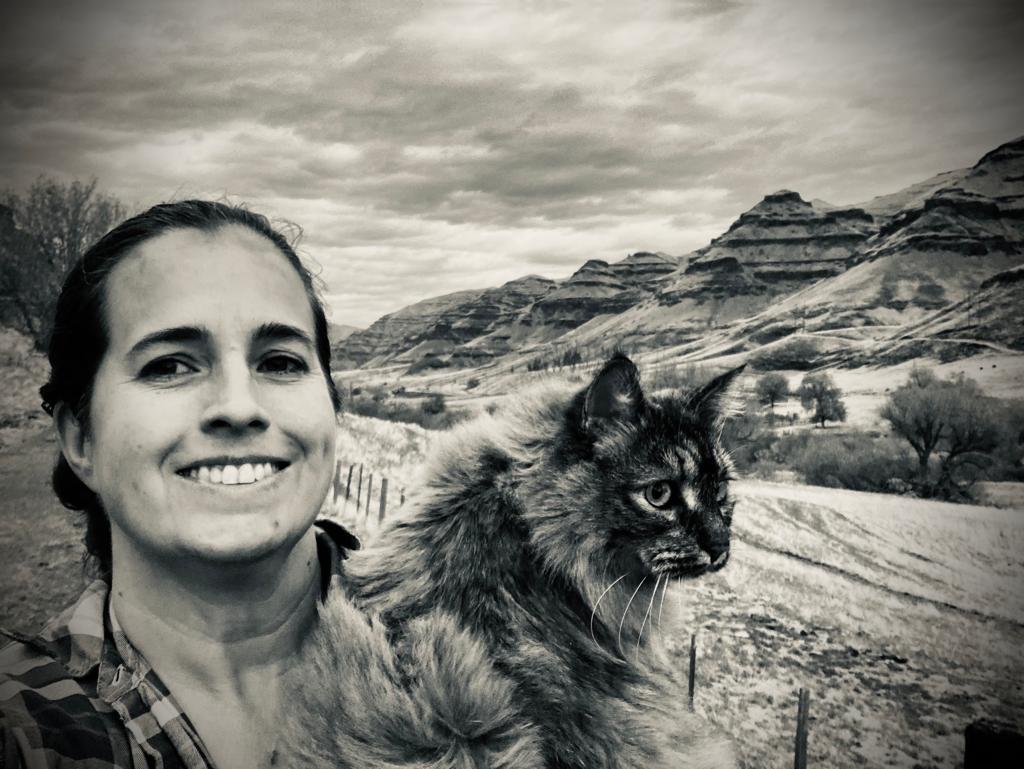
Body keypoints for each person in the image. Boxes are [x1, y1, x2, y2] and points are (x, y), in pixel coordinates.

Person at [0, 200, 359, 769]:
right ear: (80, 439)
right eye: (168, 365)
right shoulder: (25, 724)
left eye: (282, 362)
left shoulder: (504, 648)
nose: (240, 407)